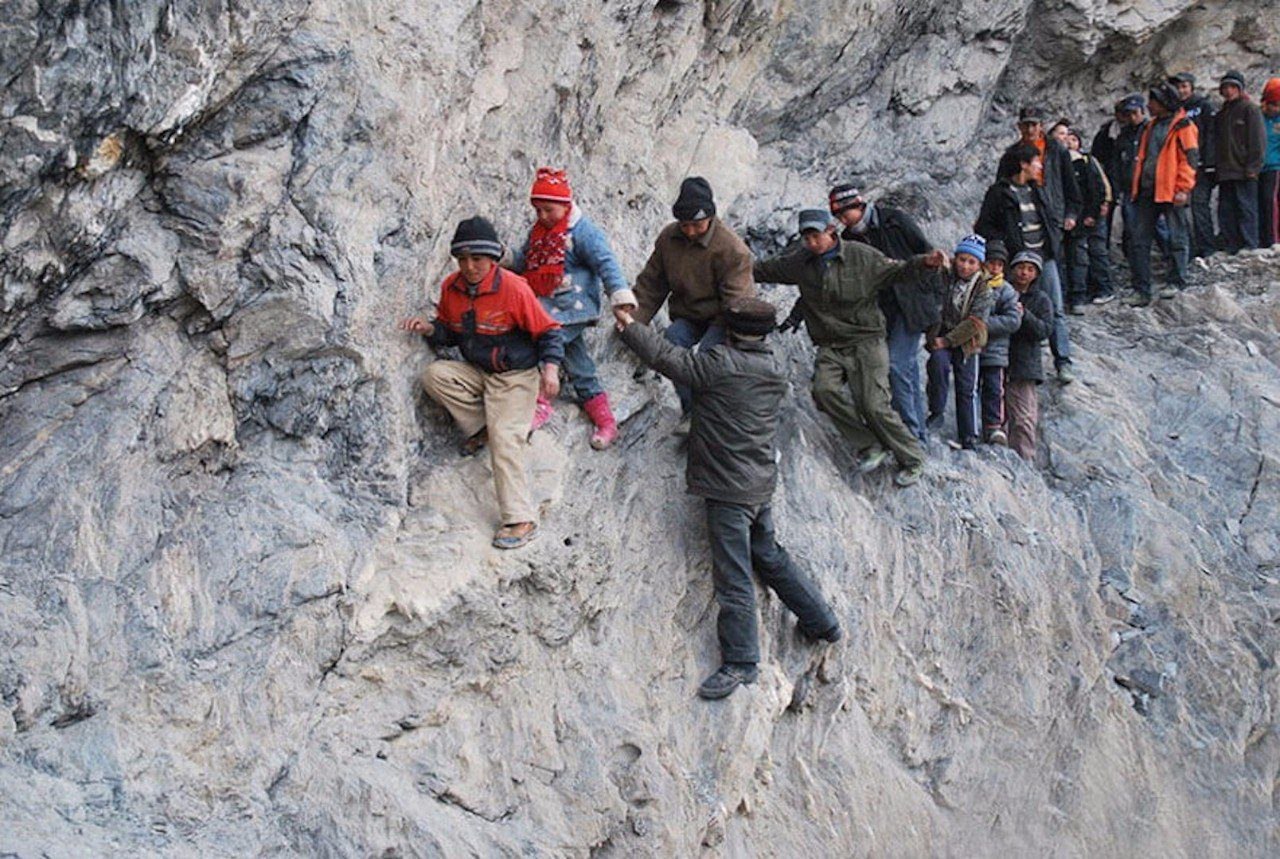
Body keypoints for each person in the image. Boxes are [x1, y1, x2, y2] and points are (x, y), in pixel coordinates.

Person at [616, 298, 842, 700]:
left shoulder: (721, 364)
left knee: (733, 575)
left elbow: (669, 359)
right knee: (768, 554)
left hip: (727, 489)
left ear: (732, 330)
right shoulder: (774, 367)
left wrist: (631, 326)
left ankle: (741, 662)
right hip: (759, 483)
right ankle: (821, 620)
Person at [400, 217, 565, 549]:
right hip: (479, 372)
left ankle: (520, 518)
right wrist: (431, 330)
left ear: (493, 259)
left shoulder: (514, 288)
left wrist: (550, 370)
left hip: (515, 377)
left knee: (507, 439)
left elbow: (548, 331)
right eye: (463, 259)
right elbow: (450, 330)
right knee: (435, 377)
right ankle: (484, 425)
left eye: (477, 259)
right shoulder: (452, 288)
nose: (470, 266)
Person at [756, 209, 948, 487]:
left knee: (873, 404)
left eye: (816, 235)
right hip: (830, 344)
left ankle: (913, 457)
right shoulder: (801, 263)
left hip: (866, 340)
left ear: (831, 232)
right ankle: (870, 443)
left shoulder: (861, 256)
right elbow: (766, 270)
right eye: (806, 237)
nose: (811, 242)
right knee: (824, 391)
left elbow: (898, 270)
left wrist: (926, 262)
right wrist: (730, 264)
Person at [619, 177, 756, 435]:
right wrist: (632, 321)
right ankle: (692, 411)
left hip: (722, 317)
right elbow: (652, 283)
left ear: (711, 218)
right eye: (685, 225)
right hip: (689, 313)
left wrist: (736, 340)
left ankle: (712, 414)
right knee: (672, 344)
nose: (691, 231)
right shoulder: (669, 239)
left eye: (697, 225)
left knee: (708, 358)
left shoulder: (732, 250)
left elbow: (738, 302)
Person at [512, 167, 630, 449]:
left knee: (544, 344)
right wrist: (505, 259)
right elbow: (526, 263)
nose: (542, 216)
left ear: (565, 204)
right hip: (548, 307)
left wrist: (620, 295)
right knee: (579, 365)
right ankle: (606, 421)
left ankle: (540, 401)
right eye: (538, 210)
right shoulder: (539, 233)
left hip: (575, 307)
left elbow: (606, 262)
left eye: (548, 209)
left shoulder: (583, 231)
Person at [827, 184, 939, 442]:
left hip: (912, 305)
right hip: (884, 310)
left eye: (845, 212)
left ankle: (910, 434)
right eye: (838, 215)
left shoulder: (894, 221)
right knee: (907, 369)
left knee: (898, 365)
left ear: (858, 206)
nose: (842, 219)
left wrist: (933, 300)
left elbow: (926, 253)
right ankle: (918, 435)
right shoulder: (850, 240)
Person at [1002, 105, 1081, 383]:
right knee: (1013, 304)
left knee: (1054, 304)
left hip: (1047, 234)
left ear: (1041, 125)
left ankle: (1063, 360)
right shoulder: (1011, 156)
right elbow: (1001, 196)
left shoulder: (1056, 151)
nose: (1030, 130)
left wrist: (1070, 214)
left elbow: (1071, 186)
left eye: (1034, 124)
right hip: (1019, 245)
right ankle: (1011, 365)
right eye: (1025, 125)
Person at [1127, 82, 1199, 307]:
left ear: (1164, 102)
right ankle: (1141, 289)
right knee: (1138, 240)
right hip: (1148, 190)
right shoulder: (1150, 126)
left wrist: (1183, 188)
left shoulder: (1184, 126)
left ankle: (1177, 281)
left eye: (1153, 101)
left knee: (1177, 237)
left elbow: (1190, 160)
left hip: (1171, 190)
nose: (1149, 105)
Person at [925, 235, 994, 449]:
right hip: (942, 332)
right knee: (937, 367)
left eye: (971, 262)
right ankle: (936, 412)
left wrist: (947, 341)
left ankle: (968, 434)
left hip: (967, 341)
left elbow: (975, 322)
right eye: (962, 260)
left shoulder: (984, 288)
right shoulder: (946, 277)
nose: (965, 266)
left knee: (966, 387)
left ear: (979, 265)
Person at [1051, 122, 1111, 312]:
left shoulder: (1084, 161)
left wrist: (1094, 211)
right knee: (1060, 259)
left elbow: (1097, 188)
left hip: (1080, 216)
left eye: (1071, 137)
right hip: (1058, 217)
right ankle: (1062, 297)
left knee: (1082, 256)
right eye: (1062, 135)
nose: (1067, 140)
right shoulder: (1049, 160)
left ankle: (1080, 296)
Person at [1004, 252, 1054, 461]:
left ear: (1036, 274)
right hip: (999, 359)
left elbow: (1044, 330)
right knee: (998, 416)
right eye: (1020, 267)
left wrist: (1024, 315)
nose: (1024, 272)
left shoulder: (1041, 299)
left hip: (1025, 364)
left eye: (1030, 269)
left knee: (1024, 419)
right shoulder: (1001, 292)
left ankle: (1025, 461)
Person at [1215, 71, 1267, 253]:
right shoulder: (1222, 114)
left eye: (1232, 87)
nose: (1228, 91)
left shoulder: (1250, 109)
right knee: (1227, 210)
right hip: (1226, 170)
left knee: (1246, 208)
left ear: (1240, 88)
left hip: (1244, 170)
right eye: (1225, 88)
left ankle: (1249, 244)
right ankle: (1231, 244)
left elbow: (1258, 140)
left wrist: (1253, 167)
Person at [978, 240, 1021, 446]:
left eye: (999, 264)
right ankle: (972, 427)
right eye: (991, 263)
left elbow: (1013, 320)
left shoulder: (1006, 291)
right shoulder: (973, 285)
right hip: (973, 349)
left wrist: (981, 325)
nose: (994, 268)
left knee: (994, 389)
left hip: (995, 350)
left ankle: (994, 426)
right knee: (969, 389)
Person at [1171, 72, 1218, 259]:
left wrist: (1209, 162)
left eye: (1184, 86)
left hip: (1200, 165)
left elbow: (1211, 135)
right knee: (1180, 208)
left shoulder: (1203, 106)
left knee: (1199, 205)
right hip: (1179, 166)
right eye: (1178, 87)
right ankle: (1188, 248)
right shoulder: (1173, 109)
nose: (1181, 91)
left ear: (1191, 87)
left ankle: (1207, 247)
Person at [1260, 78, 1280, 247]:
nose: (1275, 108)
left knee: (1270, 202)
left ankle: (1273, 239)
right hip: (1258, 167)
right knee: (1260, 203)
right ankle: (1263, 237)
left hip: (1274, 167)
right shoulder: (1257, 117)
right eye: (1272, 103)